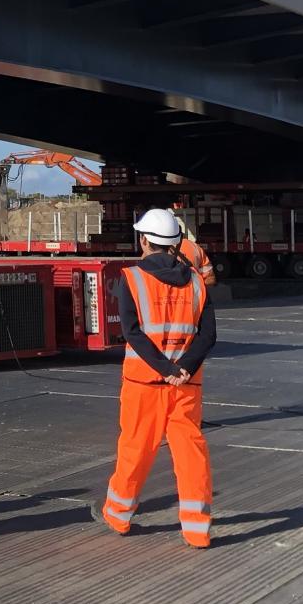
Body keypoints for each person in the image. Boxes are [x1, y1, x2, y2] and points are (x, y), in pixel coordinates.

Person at [96, 208, 217, 548]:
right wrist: (184, 369)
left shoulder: (132, 278)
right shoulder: (195, 281)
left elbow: (132, 333)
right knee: (191, 452)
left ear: (144, 240)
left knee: (135, 448)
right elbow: (208, 335)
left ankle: (118, 515)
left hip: (144, 383)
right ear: (177, 243)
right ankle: (197, 529)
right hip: (186, 384)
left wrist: (165, 369)